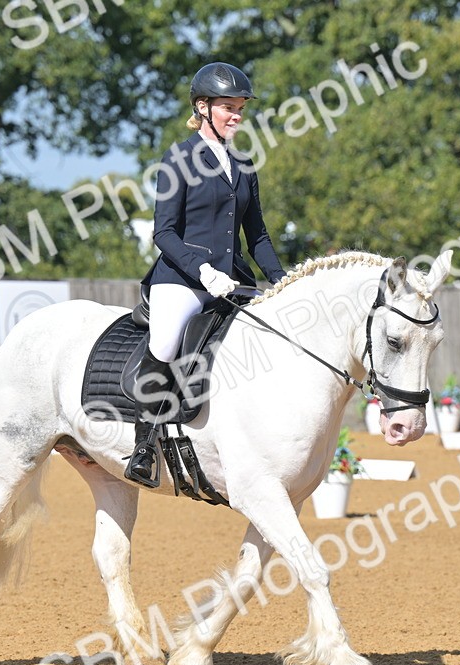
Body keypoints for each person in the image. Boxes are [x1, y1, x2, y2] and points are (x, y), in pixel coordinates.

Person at [124, 62, 288, 487]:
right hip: (181, 278)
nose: (237, 115)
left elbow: (259, 238)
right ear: (203, 107)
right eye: (229, 107)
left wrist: (286, 282)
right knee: (164, 341)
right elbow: (164, 232)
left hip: (234, 280)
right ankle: (144, 446)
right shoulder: (177, 158)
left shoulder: (245, 166)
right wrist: (203, 271)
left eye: (240, 108)